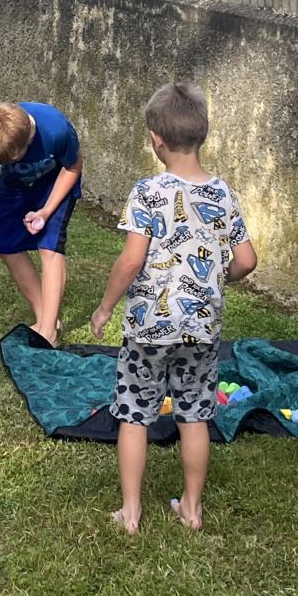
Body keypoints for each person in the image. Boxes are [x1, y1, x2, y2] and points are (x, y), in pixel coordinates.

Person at [90, 83, 258, 535]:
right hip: (201, 328)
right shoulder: (223, 194)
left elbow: (131, 261)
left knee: (134, 415)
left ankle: (130, 512)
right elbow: (246, 261)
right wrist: (217, 278)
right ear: (203, 134)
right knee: (195, 415)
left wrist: (105, 307)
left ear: (156, 139)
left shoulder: (148, 191)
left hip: (148, 328)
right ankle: (192, 508)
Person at [0, 101, 82, 347]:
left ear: (29, 139)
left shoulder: (56, 130)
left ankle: (48, 333)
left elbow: (73, 166)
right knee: (7, 246)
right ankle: (47, 318)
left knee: (49, 248)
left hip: (55, 183)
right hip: (16, 185)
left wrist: (46, 211)